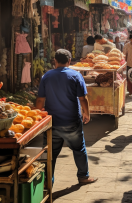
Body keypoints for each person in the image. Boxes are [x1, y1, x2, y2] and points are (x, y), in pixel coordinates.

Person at [36, 49, 96, 184]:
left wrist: (36, 118)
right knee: (79, 149)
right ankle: (83, 177)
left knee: (50, 154)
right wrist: (87, 113)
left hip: (52, 123)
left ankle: (47, 182)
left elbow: (40, 100)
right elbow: (83, 98)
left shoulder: (47, 76)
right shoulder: (75, 75)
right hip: (72, 121)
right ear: (69, 61)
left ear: (55, 61)